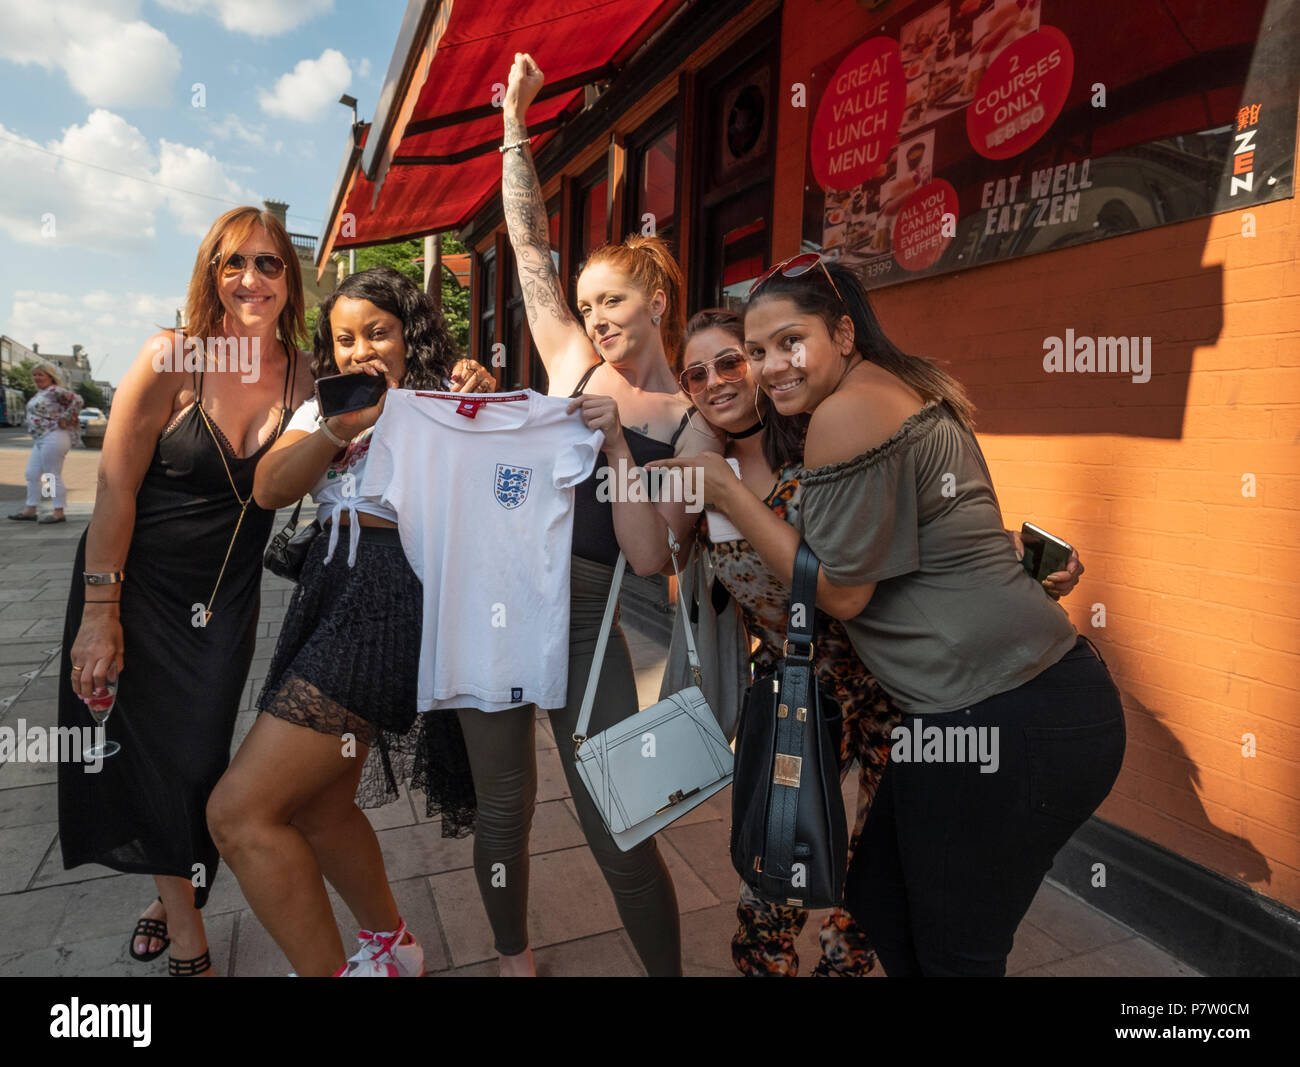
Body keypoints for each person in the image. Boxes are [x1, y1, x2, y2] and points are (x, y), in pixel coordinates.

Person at [653, 309, 1084, 975]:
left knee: (876, 865)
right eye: (697, 373)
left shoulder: (826, 439)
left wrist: (1017, 555)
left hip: (891, 679)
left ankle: (844, 967)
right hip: (795, 693)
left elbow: (920, 531)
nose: (717, 380)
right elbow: (647, 551)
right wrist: (647, 452)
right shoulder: (701, 472)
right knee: (775, 875)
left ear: (763, 365)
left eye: (733, 360)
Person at [739, 254, 1125, 976]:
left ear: (844, 332)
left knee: (956, 952)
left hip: (1005, 715)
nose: (771, 366)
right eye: (757, 351)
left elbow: (844, 592)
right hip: (996, 707)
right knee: (881, 895)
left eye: (791, 341)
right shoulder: (902, 386)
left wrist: (725, 498)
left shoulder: (849, 408)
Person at [480, 52, 717, 977]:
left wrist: (619, 447)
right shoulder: (571, 360)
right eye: (586, 305)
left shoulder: (695, 430)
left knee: (624, 826)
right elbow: (527, 245)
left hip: (592, 619)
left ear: (655, 302)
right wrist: (513, 122)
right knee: (503, 808)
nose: (594, 316)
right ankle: (513, 957)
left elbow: (654, 558)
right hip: (503, 607)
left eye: (611, 300)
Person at [207, 267, 491, 978]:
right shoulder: (323, 409)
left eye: (379, 331)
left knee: (238, 813)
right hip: (328, 592)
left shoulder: (444, 401)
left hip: (388, 597)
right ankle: (392, 947)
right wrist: (337, 426)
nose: (361, 349)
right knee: (322, 802)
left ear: (409, 335)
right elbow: (270, 487)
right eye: (344, 338)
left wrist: (477, 404)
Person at [57, 205, 316, 977]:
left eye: (270, 263)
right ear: (211, 273)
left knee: (200, 760)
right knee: (153, 761)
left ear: (289, 279)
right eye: (234, 262)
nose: (252, 278)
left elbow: (372, 409)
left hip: (224, 601)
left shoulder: (305, 372)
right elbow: (112, 489)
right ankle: (190, 944)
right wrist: (100, 614)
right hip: (134, 587)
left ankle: (170, 891)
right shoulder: (174, 356)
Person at [10, 361, 82, 524]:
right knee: (32, 473)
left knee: (51, 474)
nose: (36, 378)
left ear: (50, 376)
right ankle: (30, 510)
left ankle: (58, 512)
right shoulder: (41, 393)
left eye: (40, 374)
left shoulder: (55, 391)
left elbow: (77, 401)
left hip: (54, 436)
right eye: (34, 375)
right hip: (41, 439)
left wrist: (66, 418)